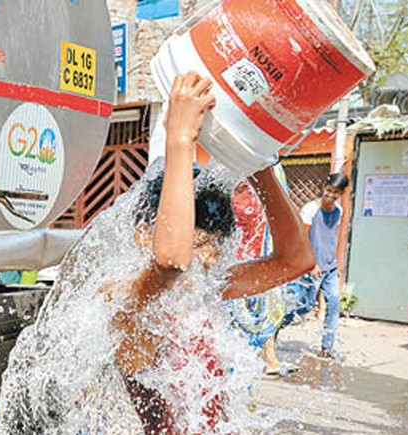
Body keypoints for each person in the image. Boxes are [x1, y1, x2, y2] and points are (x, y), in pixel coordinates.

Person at [109, 71, 315, 432]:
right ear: (144, 236)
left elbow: (295, 260)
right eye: (198, 244)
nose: (204, 260)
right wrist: (179, 138)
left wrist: (258, 162)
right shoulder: (130, 300)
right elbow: (171, 262)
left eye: (212, 249)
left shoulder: (203, 290)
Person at [300, 173, 349, 359]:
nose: (330, 195)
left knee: (334, 304)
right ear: (323, 188)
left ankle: (326, 347)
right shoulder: (310, 209)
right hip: (312, 267)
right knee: (303, 306)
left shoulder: (339, 211)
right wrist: (311, 264)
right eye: (328, 190)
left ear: (341, 194)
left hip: (330, 267)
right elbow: (303, 239)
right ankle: (272, 334)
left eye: (336, 193)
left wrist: (336, 264)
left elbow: (333, 238)